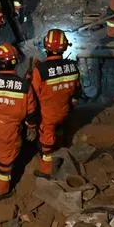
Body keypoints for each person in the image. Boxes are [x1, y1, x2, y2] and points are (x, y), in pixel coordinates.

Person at [0, 44, 38, 201]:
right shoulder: (24, 87)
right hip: (10, 131)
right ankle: (0, 191)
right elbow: (31, 112)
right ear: (14, 62)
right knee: (5, 161)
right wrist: (31, 127)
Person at [29, 29, 82, 178]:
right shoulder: (73, 67)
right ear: (65, 47)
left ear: (46, 47)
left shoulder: (40, 70)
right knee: (59, 129)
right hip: (65, 111)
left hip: (47, 116)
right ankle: (61, 146)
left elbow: (33, 96)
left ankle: (47, 171)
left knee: (45, 142)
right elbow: (77, 90)